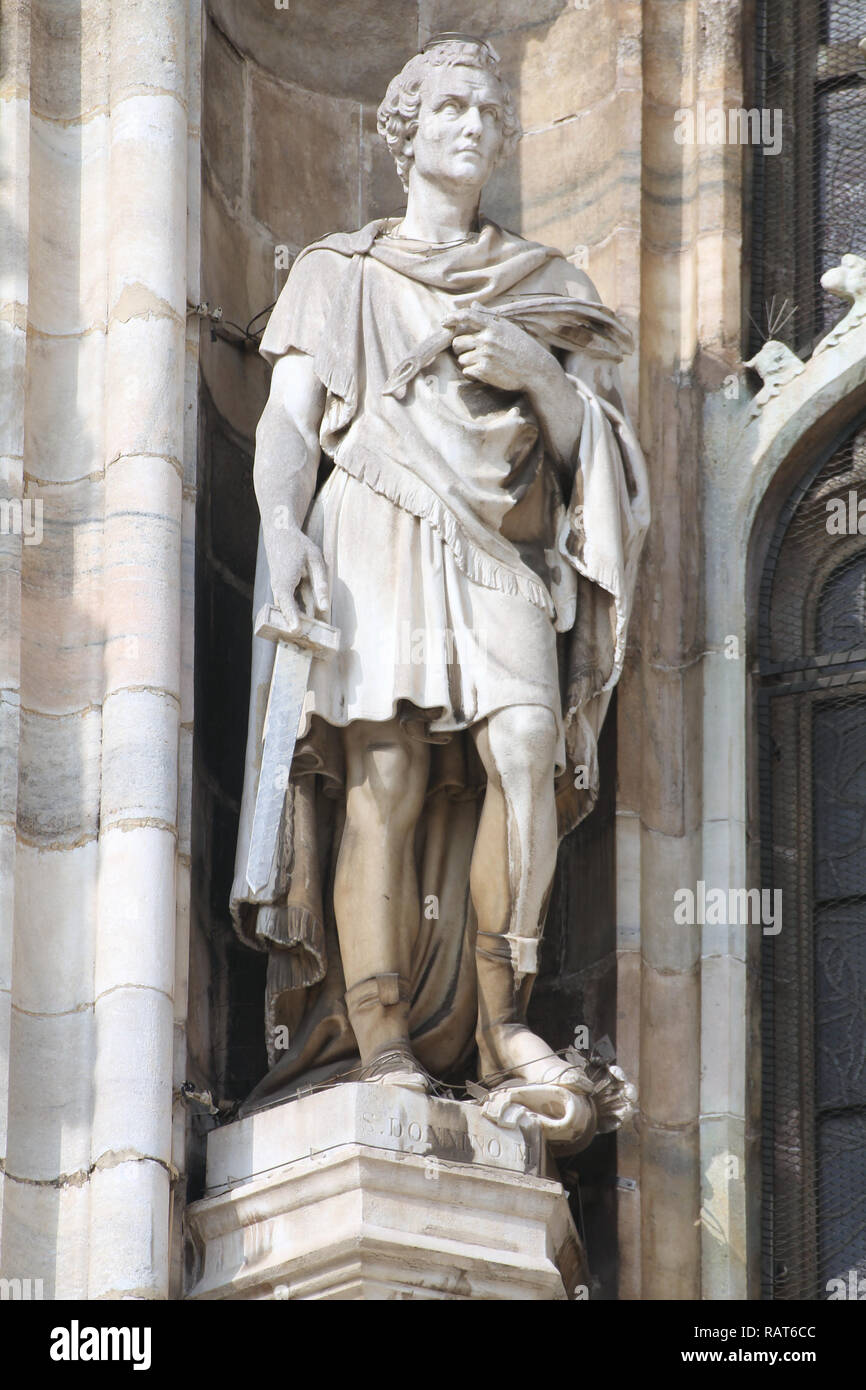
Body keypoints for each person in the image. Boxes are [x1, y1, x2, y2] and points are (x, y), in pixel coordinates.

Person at [231, 36, 649, 1137]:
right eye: (449, 106)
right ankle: (377, 1037)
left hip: (495, 549)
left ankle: (504, 1016)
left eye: (487, 109)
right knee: (383, 772)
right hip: (371, 509)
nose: (471, 125)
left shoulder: (543, 290)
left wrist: (532, 376)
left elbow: (593, 454)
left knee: (524, 745)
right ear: (404, 128)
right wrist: (279, 526)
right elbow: (287, 421)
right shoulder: (338, 272)